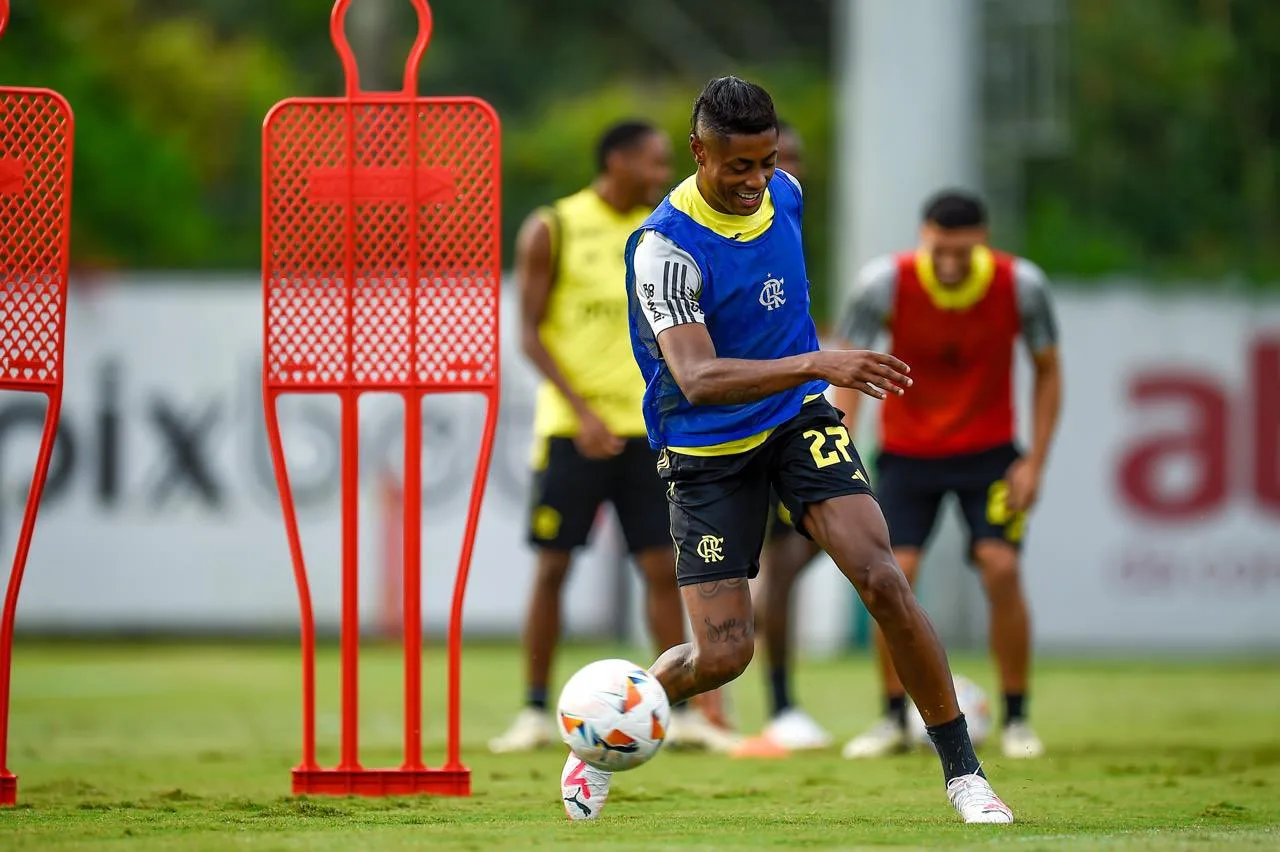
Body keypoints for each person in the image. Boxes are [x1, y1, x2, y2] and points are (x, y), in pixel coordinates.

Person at [559, 77, 1013, 825]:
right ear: (699, 152)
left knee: (884, 579)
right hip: (707, 451)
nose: (755, 181)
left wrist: (808, 378)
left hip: (798, 422)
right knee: (722, 655)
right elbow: (699, 379)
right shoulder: (664, 250)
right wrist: (818, 362)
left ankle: (966, 776)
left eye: (767, 162)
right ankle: (607, 722)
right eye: (738, 166)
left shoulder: (787, 195)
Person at [491, 120, 735, 755]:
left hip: (650, 433)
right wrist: (584, 411)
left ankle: (672, 711)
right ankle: (535, 711)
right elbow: (529, 334)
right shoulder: (555, 226)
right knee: (553, 566)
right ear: (618, 160)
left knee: (662, 568)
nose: (662, 175)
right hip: (575, 432)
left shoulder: (664, 230)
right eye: (654, 164)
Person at [835, 190, 1061, 762]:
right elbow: (847, 366)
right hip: (908, 455)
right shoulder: (884, 284)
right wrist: (841, 447)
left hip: (990, 456)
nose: (952, 263)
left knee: (1001, 567)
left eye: (964, 251)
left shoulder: (1022, 286)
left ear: (981, 243)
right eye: (941, 250)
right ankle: (892, 719)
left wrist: (1034, 461)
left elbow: (1048, 372)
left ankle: (1016, 718)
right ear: (923, 238)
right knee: (892, 574)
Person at [730, 121, 831, 755]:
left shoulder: (786, 218)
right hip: (735, 427)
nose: (777, 175)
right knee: (745, 570)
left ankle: (781, 703)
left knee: (797, 559)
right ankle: (773, 702)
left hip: (796, 418)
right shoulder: (702, 231)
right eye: (771, 161)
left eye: (787, 161)